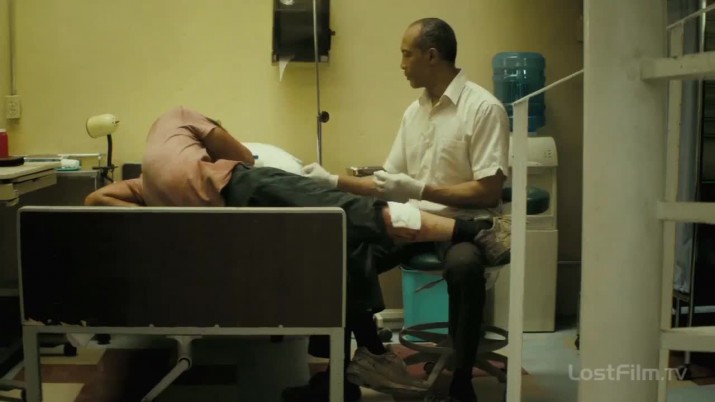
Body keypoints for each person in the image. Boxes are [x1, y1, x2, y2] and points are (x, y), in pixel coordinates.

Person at [85, 105, 510, 402]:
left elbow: (95, 200)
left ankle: (371, 358)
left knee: (339, 239)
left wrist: (158, 214)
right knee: (350, 216)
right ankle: (477, 233)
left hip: (232, 243)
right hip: (243, 191)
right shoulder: (183, 117)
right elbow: (244, 156)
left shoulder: (150, 182)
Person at [299, 18, 510, 402]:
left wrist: (420, 188)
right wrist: (331, 180)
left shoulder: (483, 109)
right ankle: (354, 366)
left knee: (464, 267)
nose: (401, 64)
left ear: (431, 56)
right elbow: (388, 181)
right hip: (414, 220)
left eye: (406, 54)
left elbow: (488, 190)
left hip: (464, 224)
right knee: (343, 252)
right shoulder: (415, 113)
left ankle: (461, 380)